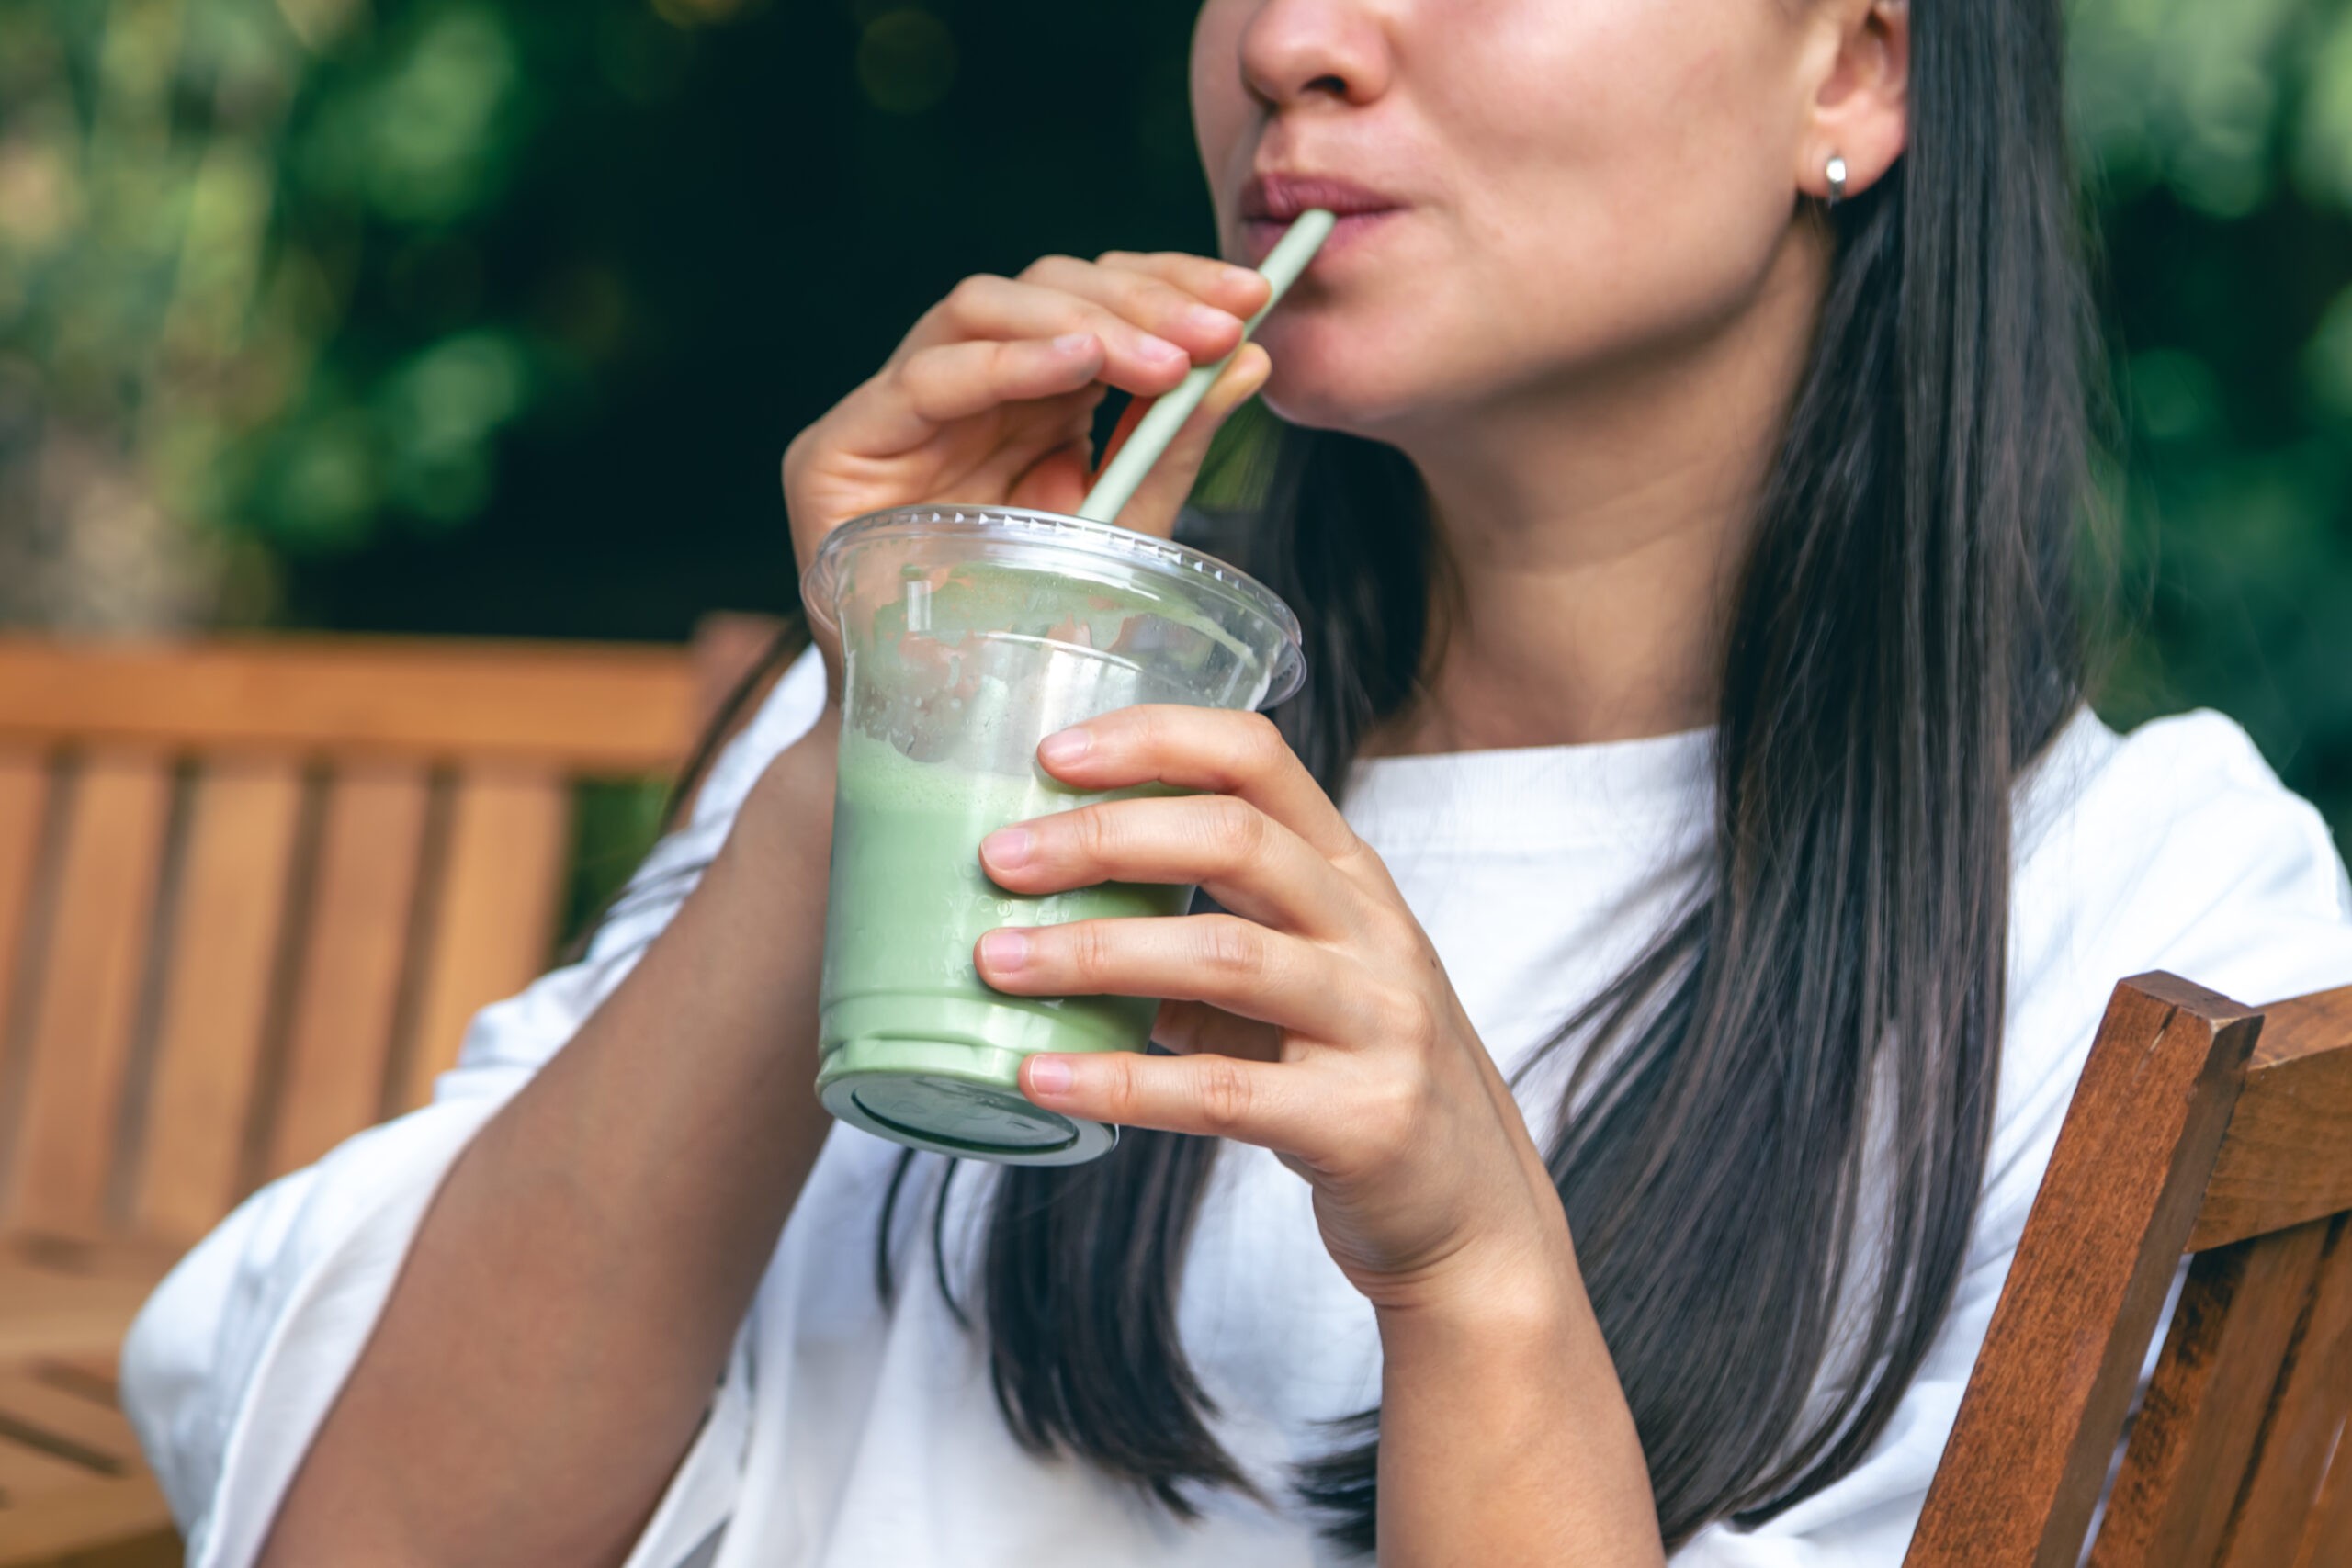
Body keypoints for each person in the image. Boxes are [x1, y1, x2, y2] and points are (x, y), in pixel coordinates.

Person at [122, 0, 2352, 1563]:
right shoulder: (994, 712)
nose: (1290, 38)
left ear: (1853, 65)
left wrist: (1472, 1269)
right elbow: (371, 1534)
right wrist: (889, 717)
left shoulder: (2158, 933)